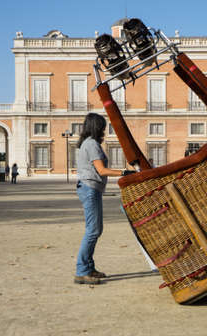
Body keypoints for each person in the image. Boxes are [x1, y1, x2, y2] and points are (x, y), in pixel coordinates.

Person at [74, 113, 134, 285]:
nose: (104, 129)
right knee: (93, 230)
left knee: (95, 230)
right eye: (102, 126)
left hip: (92, 189)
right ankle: (82, 271)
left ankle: (88, 267)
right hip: (90, 189)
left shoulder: (88, 143)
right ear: (96, 126)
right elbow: (101, 170)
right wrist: (124, 172)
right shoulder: (92, 144)